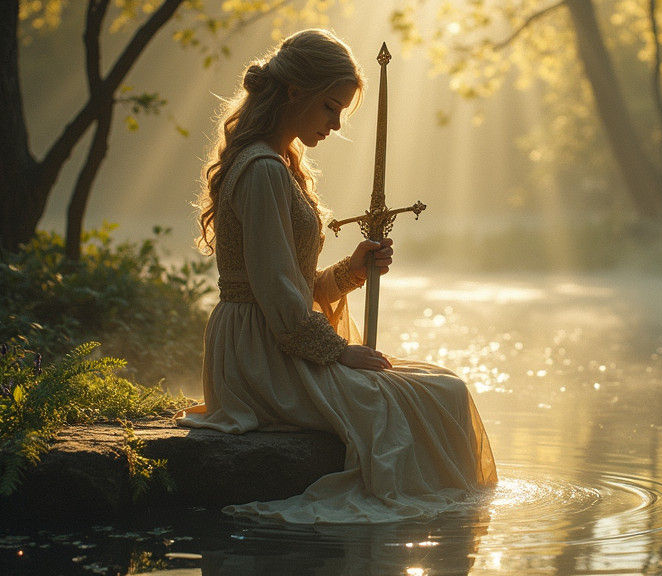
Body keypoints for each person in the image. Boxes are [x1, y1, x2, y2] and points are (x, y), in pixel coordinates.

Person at [177, 29, 497, 524]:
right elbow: (275, 291)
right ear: (294, 91)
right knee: (440, 395)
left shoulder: (280, 164)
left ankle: (459, 522)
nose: (337, 122)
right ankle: (456, 526)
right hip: (260, 354)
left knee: (441, 384)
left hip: (274, 337)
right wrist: (337, 351)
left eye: (342, 110)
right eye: (330, 106)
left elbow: (290, 283)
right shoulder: (263, 169)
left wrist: (351, 271)